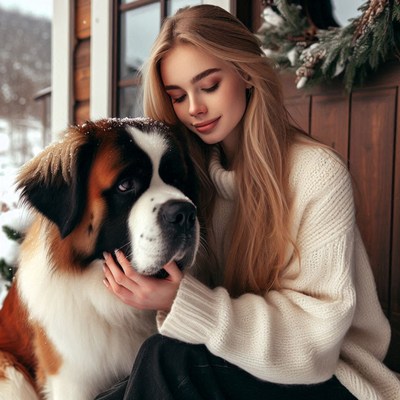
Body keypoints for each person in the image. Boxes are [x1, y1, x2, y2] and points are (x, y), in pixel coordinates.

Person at [96, 5, 400, 399]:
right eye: (177, 96)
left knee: (166, 360)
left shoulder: (316, 175)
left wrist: (183, 300)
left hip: (336, 376)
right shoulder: (192, 179)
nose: (194, 109)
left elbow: (315, 346)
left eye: (208, 86)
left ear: (245, 74)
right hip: (238, 363)